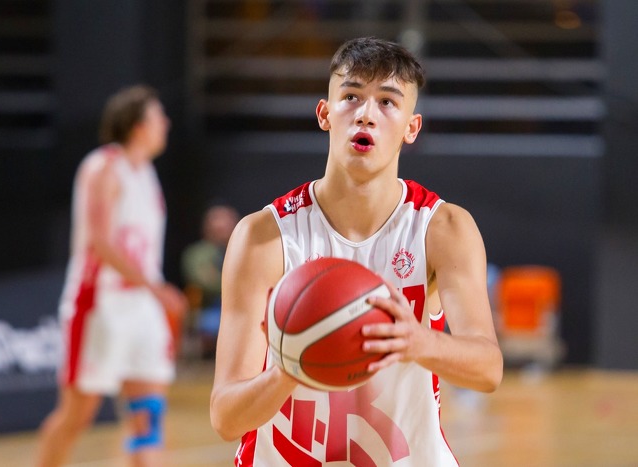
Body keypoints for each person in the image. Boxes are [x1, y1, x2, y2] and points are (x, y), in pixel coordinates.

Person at [210, 37, 503, 466]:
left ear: (412, 128)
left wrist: (418, 341)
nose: (366, 114)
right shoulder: (262, 236)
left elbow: (488, 369)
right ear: (325, 114)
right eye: (351, 97)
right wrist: (290, 369)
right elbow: (225, 417)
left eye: (387, 102)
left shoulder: (443, 228)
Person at [35, 85, 187, 467]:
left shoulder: (147, 173)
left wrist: (153, 293)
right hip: (100, 304)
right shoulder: (103, 167)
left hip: (142, 306)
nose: (166, 123)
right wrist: (158, 289)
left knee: (148, 418)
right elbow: (100, 243)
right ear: (137, 126)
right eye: (158, 116)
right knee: (76, 416)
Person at [181, 203, 239, 359]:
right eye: (216, 220)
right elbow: (203, 281)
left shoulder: (243, 251)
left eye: (225, 220)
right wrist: (237, 282)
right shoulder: (196, 254)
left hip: (242, 306)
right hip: (210, 307)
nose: (221, 226)